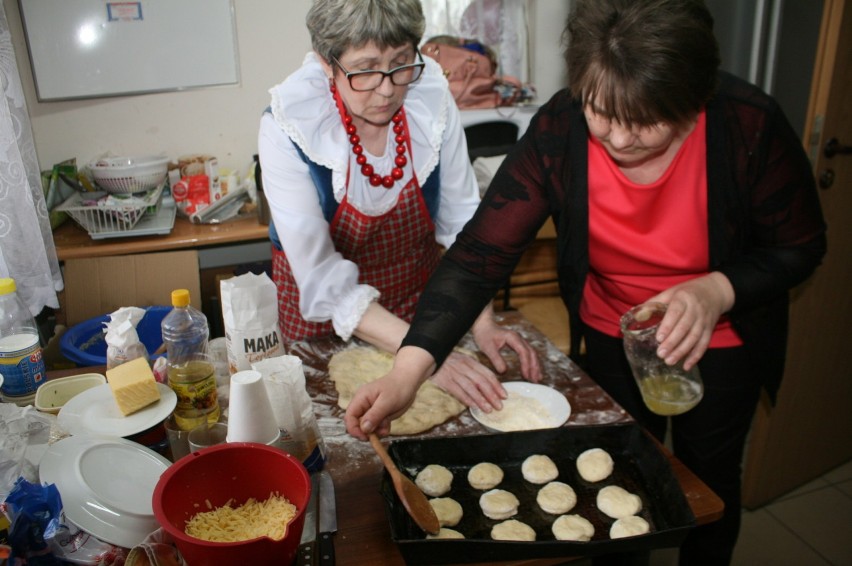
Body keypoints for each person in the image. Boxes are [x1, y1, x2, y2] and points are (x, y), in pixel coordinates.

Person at [344, 1, 827, 564]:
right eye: (602, 112)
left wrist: (715, 289)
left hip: (719, 339)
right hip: (610, 329)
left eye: (646, 120)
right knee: (615, 480)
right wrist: (409, 370)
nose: (620, 138)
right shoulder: (560, 126)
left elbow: (801, 246)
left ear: (696, 102)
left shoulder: (747, 123)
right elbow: (478, 256)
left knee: (709, 483)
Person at [258, 0, 540, 409]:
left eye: (401, 62)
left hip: (418, 310)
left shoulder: (431, 103)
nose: (388, 89)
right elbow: (322, 279)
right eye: (367, 69)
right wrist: (425, 356)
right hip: (321, 327)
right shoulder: (291, 127)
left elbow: (466, 227)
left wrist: (481, 323)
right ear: (326, 63)